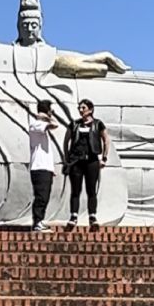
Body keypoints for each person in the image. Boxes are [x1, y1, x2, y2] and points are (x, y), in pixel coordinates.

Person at [63, 99, 110, 232]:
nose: (81, 110)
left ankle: (92, 217)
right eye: (79, 108)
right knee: (75, 190)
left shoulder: (98, 124)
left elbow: (106, 139)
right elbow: (66, 140)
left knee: (91, 190)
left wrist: (104, 158)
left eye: (83, 108)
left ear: (90, 109)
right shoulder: (74, 124)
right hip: (76, 160)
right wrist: (67, 158)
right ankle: (73, 216)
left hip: (92, 160)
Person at [29, 100, 59, 232]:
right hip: (38, 166)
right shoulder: (35, 124)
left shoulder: (41, 125)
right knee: (41, 196)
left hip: (45, 168)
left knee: (45, 195)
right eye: (51, 110)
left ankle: (40, 220)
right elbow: (54, 125)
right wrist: (47, 116)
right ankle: (37, 222)